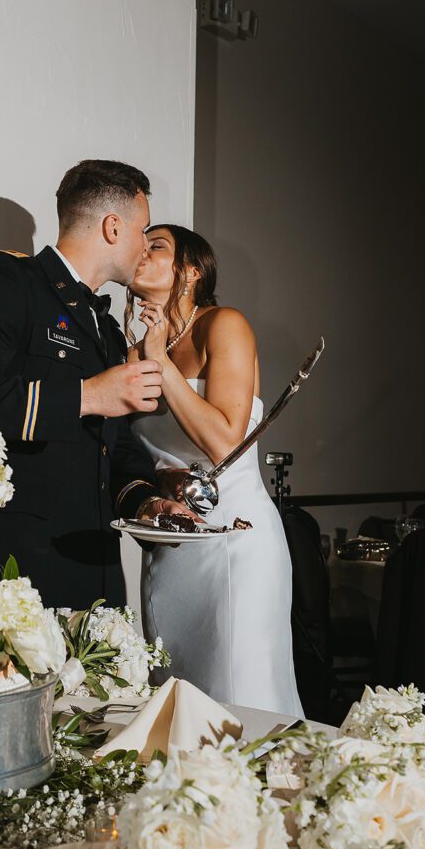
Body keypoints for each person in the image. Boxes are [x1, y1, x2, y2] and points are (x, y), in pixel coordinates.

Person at [0, 160, 195, 609]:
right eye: (143, 231)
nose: (145, 247)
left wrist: (148, 503)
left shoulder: (107, 330)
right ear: (113, 227)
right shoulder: (6, 281)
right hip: (15, 574)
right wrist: (89, 395)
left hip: (95, 575)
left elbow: (115, 451)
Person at [128, 224, 303, 716]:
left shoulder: (224, 324)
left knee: (241, 702)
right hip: (170, 552)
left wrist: (161, 362)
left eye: (155, 245)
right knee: (176, 708)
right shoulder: (134, 350)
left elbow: (226, 438)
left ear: (190, 269)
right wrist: (160, 478)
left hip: (235, 543)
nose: (140, 250)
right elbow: (131, 451)